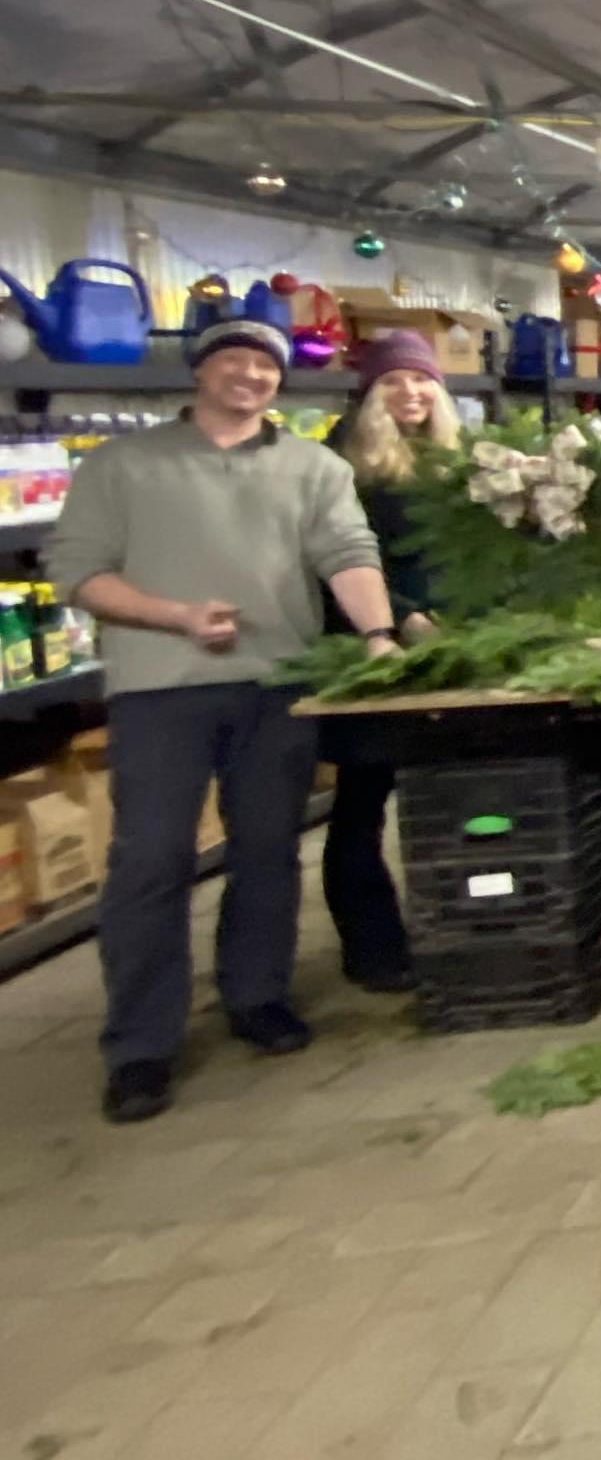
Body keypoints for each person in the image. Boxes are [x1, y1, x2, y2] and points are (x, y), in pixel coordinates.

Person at [48, 319, 399, 1125]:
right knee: (152, 860)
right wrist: (176, 616)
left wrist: (379, 634)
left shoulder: (312, 466)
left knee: (269, 851)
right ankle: (140, 1045)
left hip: (278, 684)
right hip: (160, 690)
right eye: (233, 360)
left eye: (265, 365)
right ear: (200, 372)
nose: (250, 375)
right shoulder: (123, 465)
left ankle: (257, 996)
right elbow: (79, 573)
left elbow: (348, 552)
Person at [321, 330, 462, 992]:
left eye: (422, 378)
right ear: (369, 392)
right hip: (371, 646)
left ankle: (456, 925)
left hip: (457, 646)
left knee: (450, 792)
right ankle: (372, 948)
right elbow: (336, 558)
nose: (411, 391)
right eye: (393, 380)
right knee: (363, 795)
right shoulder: (339, 465)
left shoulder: (451, 458)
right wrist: (402, 616)